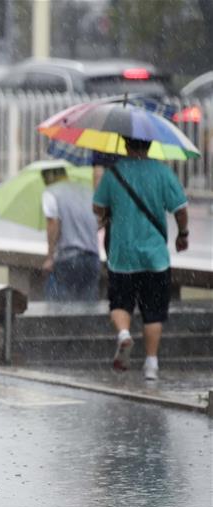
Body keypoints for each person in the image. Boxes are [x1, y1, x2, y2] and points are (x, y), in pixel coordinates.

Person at [93, 136, 190, 380]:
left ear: (125, 144)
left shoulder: (113, 173)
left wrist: (110, 211)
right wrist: (182, 234)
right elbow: (180, 208)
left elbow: (98, 207)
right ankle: (151, 365)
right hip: (155, 257)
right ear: (151, 144)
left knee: (120, 303)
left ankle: (124, 334)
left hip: (122, 256)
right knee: (154, 312)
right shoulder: (162, 172)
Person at [40, 166, 100, 302]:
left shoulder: (51, 192)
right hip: (92, 258)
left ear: (49, 177)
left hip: (68, 258)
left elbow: (53, 223)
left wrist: (50, 257)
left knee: (61, 308)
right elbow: (99, 219)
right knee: (89, 308)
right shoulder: (86, 191)